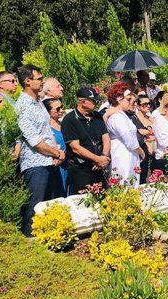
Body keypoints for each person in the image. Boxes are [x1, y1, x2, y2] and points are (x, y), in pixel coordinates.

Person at [15, 64, 65, 236]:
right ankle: (31, 241)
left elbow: (46, 133)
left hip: (49, 161)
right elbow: (34, 140)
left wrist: (56, 152)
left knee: (51, 206)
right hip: (35, 164)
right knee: (36, 207)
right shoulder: (22, 106)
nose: (43, 81)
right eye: (40, 79)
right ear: (27, 81)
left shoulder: (38, 102)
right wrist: (56, 153)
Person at [61, 87, 111, 194]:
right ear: (83, 101)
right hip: (81, 170)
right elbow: (76, 148)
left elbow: (105, 137)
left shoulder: (97, 116)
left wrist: (104, 157)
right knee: (83, 200)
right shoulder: (69, 120)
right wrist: (97, 159)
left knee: (102, 198)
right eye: (94, 101)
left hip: (99, 167)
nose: (96, 103)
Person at [105, 83, 145, 186]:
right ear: (119, 99)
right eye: (128, 99)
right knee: (124, 182)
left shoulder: (122, 115)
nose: (131, 102)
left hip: (128, 154)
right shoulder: (117, 116)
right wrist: (141, 151)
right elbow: (128, 138)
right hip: (122, 155)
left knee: (130, 182)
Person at [43, 98, 68, 195]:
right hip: (55, 165)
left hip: (66, 164)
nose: (61, 110)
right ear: (48, 111)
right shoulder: (46, 128)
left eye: (61, 107)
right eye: (57, 109)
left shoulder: (63, 124)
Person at [131, 95, 155, 183]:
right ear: (138, 106)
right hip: (144, 150)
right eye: (144, 104)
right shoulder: (134, 118)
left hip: (155, 150)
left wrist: (149, 131)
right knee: (143, 175)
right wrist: (151, 131)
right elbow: (140, 132)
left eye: (149, 103)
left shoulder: (151, 118)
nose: (148, 106)